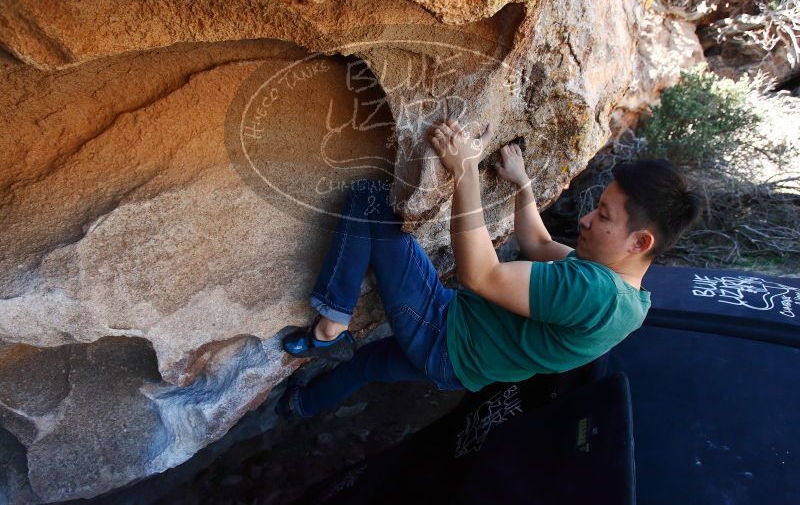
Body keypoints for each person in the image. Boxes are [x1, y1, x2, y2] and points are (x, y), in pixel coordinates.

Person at [276, 117, 704, 417]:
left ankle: (330, 322)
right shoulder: (626, 297)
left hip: (441, 331)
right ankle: (301, 405)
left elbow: (481, 276)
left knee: (372, 198)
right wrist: (522, 185)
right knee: (367, 364)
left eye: (605, 216)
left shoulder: (593, 293)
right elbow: (538, 243)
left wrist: (465, 171)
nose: (587, 219)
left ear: (640, 242)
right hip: (457, 366)